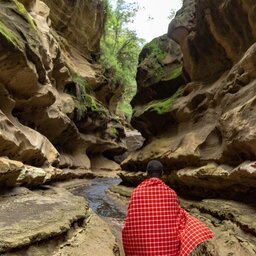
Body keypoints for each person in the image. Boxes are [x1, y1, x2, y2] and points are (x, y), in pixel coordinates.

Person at [122, 160, 214, 256]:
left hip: (143, 251)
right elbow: (179, 219)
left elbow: (130, 222)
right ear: (162, 174)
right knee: (184, 217)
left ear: (147, 173)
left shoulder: (136, 193)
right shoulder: (171, 193)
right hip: (168, 252)